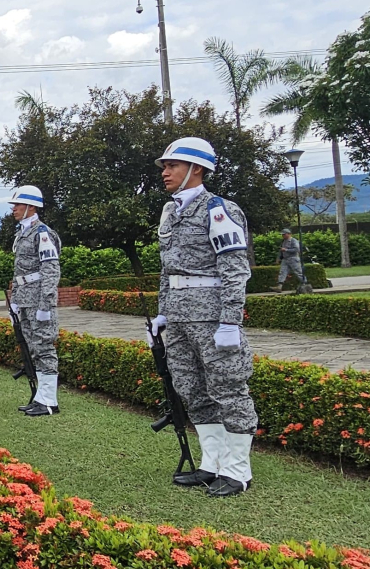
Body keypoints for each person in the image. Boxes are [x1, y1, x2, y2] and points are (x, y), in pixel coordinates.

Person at [149, 137, 256, 497]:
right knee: (192, 390)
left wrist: (230, 321)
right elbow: (167, 269)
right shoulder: (171, 211)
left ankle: (238, 471)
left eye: (172, 166)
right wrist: (163, 312)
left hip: (211, 316)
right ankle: (212, 464)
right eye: (164, 166)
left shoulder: (219, 211)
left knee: (228, 387)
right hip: (179, 317)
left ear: (196, 169)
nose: (165, 172)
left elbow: (234, 269)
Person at [7, 185, 61, 417]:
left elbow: (50, 269)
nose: (14, 209)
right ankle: (40, 397)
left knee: (44, 347)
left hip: (39, 299)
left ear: (31, 206)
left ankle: (49, 400)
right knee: (33, 347)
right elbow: (20, 271)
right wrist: (16, 301)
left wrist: (46, 304)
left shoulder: (42, 233)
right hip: (26, 299)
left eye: (17, 205)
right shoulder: (22, 233)